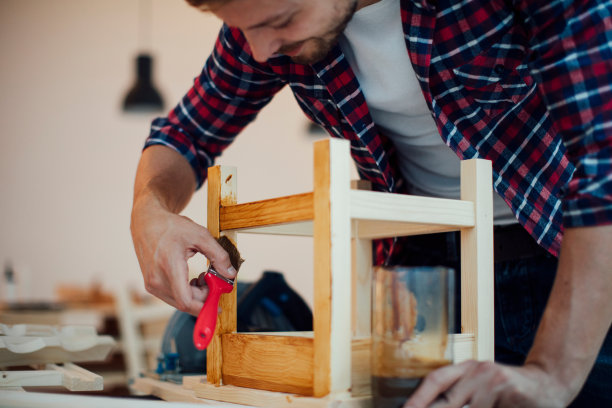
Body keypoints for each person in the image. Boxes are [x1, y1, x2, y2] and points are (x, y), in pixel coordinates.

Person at [130, 0, 612, 406]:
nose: (260, 50)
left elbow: (604, 161)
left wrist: (552, 372)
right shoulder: (264, 19)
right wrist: (150, 214)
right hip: (421, 278)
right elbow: (183, 137)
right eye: (242, 30)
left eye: (280, 21)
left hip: (577, 270)